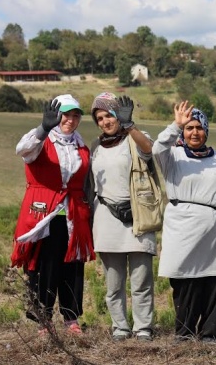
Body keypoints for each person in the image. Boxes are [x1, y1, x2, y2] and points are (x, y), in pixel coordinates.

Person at [153, 101, 216, 343]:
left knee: (212, 280)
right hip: (181, 226)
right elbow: (156, 148)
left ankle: (209, 333)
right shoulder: (172, 156)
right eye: (189, 128)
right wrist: (175, 125)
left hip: (213, 229)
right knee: (183, 281)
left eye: (199, 128)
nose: (194, 132)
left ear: (206, 131)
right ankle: (184, 332)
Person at [11, 94, 95, 335]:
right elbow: (22, 150)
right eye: (65, 114)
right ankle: (43, 319)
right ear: (56, 116)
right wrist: (43, 128)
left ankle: (71, 318)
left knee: (72, 267)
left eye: (75, 115)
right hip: (44, 213)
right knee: (44, 266)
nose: (70, 119)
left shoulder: (81, 147)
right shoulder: (41, 141)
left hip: (73, 215)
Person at [88, 92, 156, 342]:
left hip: (137, 215)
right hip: (106, 217)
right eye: (100, 118)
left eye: (110, 115)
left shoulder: (136, 138)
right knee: (113, 283)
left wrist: (130, 126)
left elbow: (149, 151)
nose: (106, 121)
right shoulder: (96, 146)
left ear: (120, 115)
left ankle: (143, 327)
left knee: (141, 280)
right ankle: (120, 326)